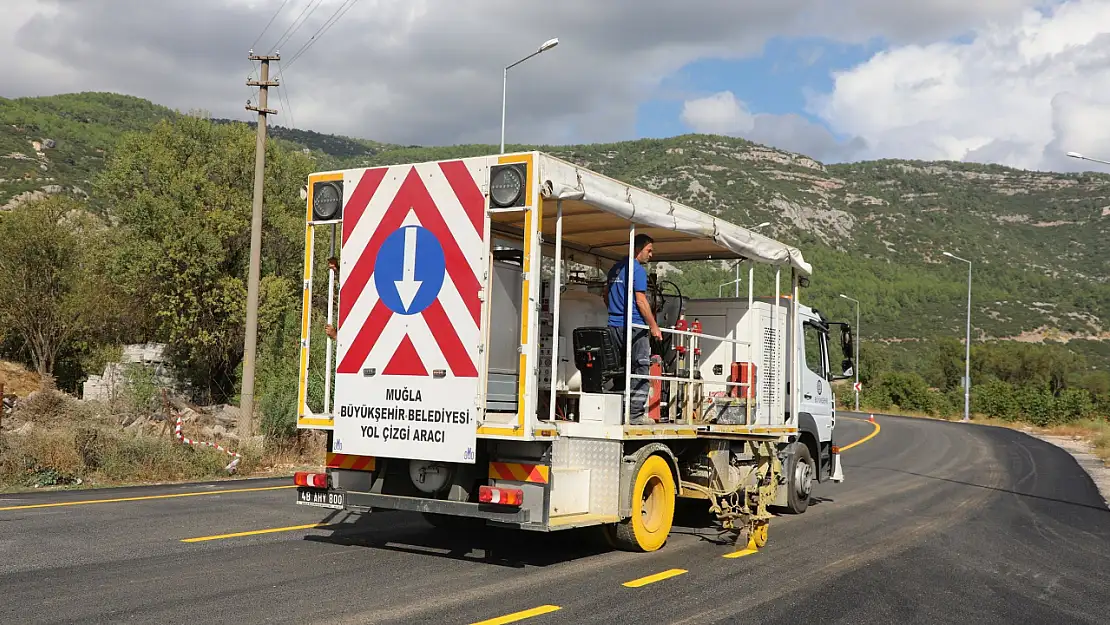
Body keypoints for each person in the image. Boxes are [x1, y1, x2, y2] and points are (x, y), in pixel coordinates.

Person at [607, 233, 663, 426]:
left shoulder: (615, 269)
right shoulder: (637, 270)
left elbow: (604, 296)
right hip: (634, 327)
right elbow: (641, 300)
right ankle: (635, 415)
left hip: (614, 327)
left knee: (621, 369)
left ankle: (618, 411)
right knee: (640, 368)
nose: (651, 255)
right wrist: (654, 327)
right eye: (649, 250)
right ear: (638, 249)